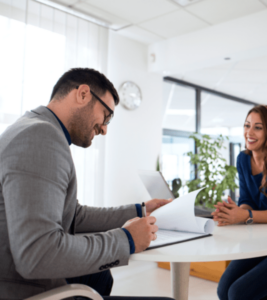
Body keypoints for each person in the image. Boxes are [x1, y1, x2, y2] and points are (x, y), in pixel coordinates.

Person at [0, 68, 174, 300]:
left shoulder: (34, 127)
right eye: (107, 115)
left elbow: (73, 216)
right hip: (22, 287)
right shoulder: (41, 137)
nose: (104, 129)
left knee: (100, 277)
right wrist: (127, 239)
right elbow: (37, 254)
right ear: (83, 94)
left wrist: (141, 210)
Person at [212, 105, 267, 300]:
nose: (249, 133)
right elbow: (247, 200)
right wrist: (235, 213)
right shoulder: (243, 159)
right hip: (265, 239)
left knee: (238, 293)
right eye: (247, 125)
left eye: (258, 127)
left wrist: (246, 216)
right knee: (223, 289)